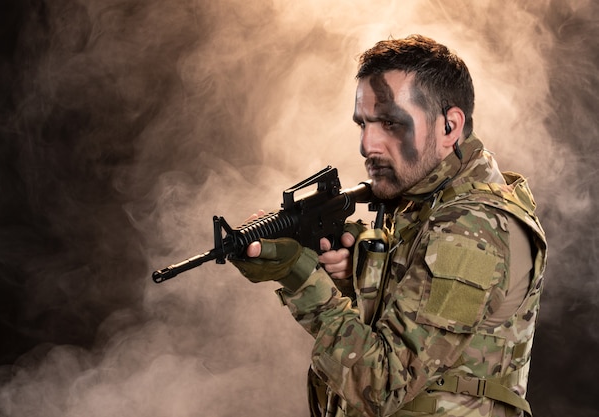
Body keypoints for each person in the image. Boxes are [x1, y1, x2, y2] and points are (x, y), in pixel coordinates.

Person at [230, 34, 547, 417]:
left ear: (449, 127)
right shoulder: (430, 200)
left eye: (389, 123)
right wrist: (357, 278)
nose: (367, 144)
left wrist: (302, 278)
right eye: (362, 124)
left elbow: (382, 384)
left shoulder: (472, 229)